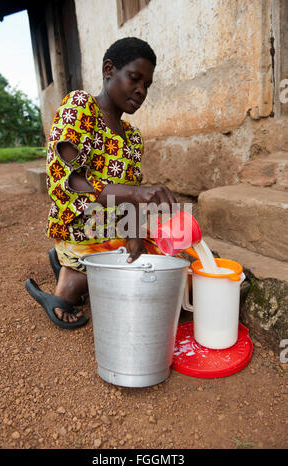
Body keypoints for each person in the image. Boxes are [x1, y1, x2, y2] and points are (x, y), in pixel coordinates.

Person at [25, 37, 180, 329]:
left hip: (114, 231)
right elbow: (67, 181)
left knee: (169, 258)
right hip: (80, 225)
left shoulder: (133, 137)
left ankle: (73, 265)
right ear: (109, 69)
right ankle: (69, 282)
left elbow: (133, 200)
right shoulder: (80, 107)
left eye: (147, 85)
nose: (141, 90)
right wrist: (135, 192)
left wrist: (134, 235)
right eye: (135, 78)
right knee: (130, 274)